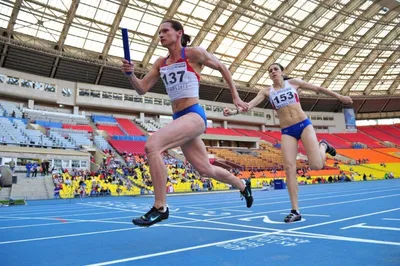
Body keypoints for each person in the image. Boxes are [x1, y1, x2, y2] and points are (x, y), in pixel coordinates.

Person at [120, 20, 253, 227]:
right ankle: (243, 185)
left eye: (165, 31)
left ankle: (160, 207)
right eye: (159, 32)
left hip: (194, 115)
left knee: (152, 145)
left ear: (179, 33)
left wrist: (235, 96)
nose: (161, 35)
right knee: (205, 170)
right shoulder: (160, 63)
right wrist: (130, 75)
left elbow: (222, 67)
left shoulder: (193, 54)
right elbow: (142, 88)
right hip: (180, 119)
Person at [223, 63, 353, 223]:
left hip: (304, 125)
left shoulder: (294, 83)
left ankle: (323, 146)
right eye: (270, 71)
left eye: (275, 69)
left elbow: (318, 89)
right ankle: (295, 210)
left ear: (282, 72)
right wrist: (234, 112)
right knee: (289, 168)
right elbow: (249, 106)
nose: (272, 72)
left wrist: (339, 97)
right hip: (287, 131)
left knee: (316, 166)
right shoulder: (266, 91)